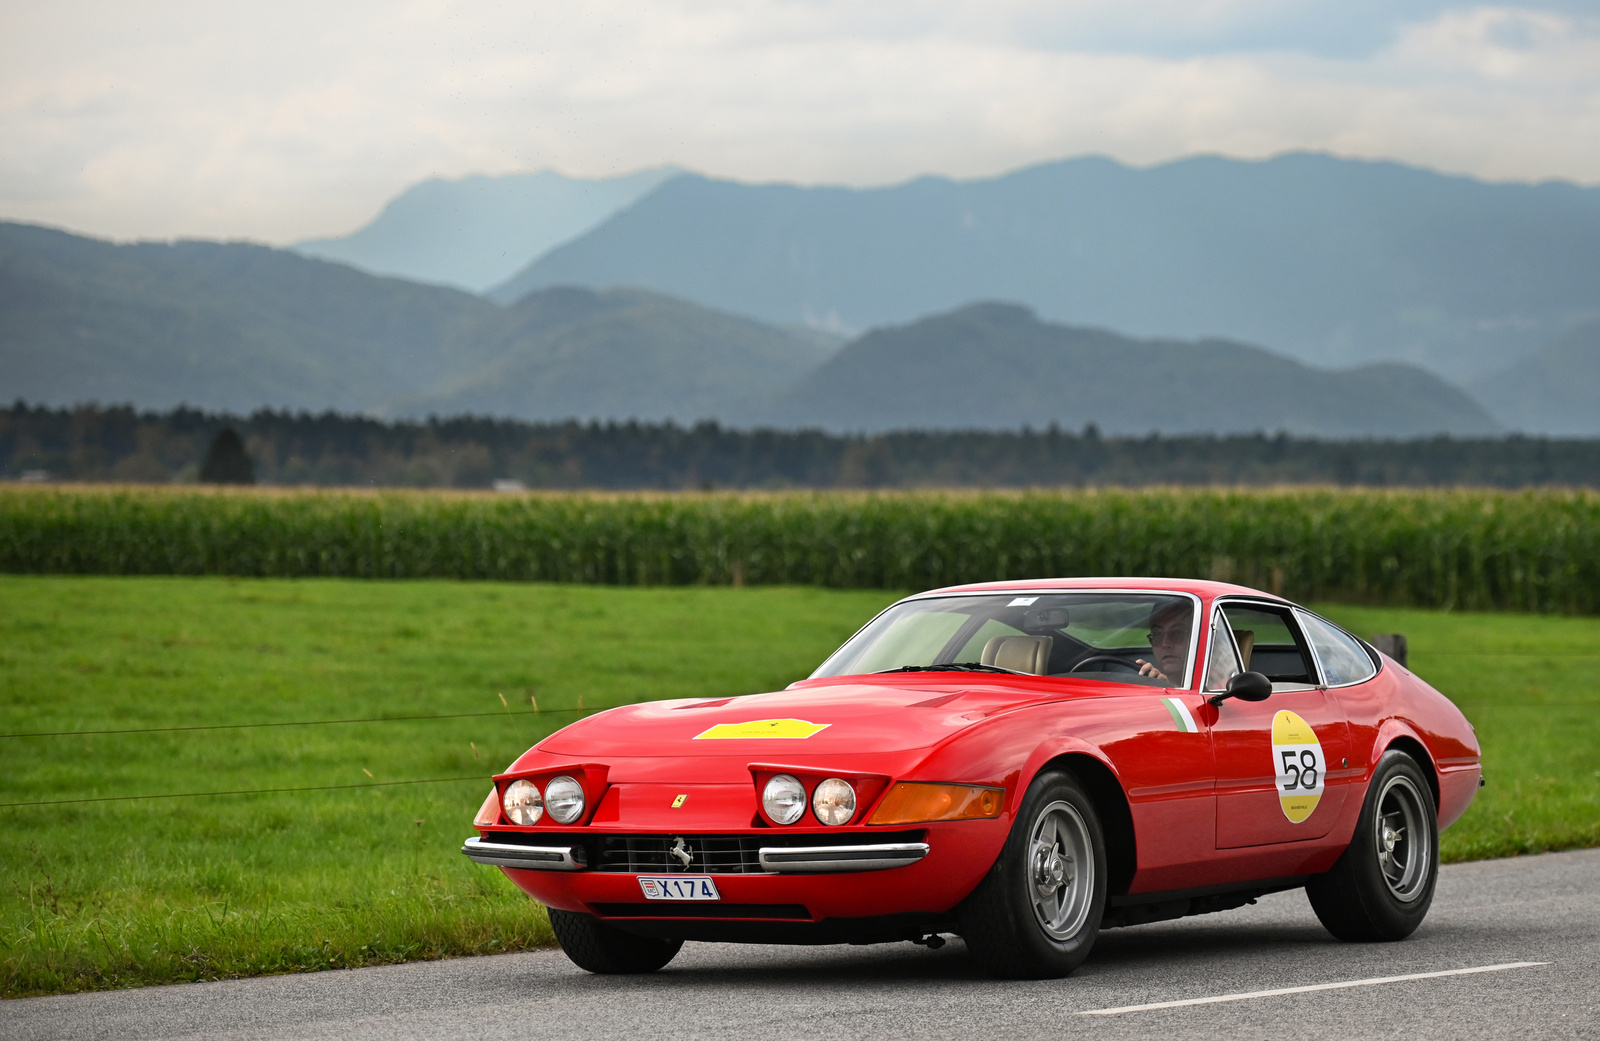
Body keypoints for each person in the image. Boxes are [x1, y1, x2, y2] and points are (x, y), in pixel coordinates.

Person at [1137, 600, 1192, 682]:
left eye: (1177, 633)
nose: (1165, 644)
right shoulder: (1145, 680)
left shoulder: (1215, 686)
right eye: (1157, 634)